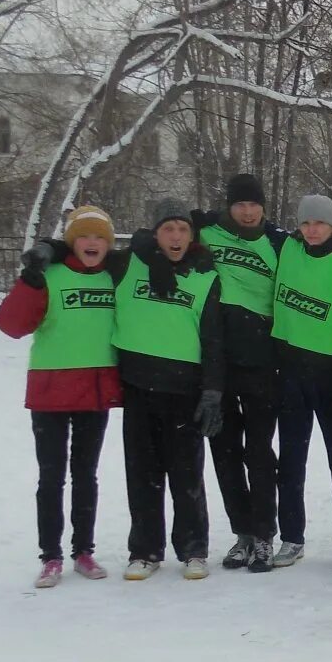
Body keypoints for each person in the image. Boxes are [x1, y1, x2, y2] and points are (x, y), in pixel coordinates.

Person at [0, 206, 122, 587]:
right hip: (51, 389)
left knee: (86, 475)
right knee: (51, 477)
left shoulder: (115, 277)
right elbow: (11, 325)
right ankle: (50, 555)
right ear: (71, 242)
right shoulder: (48, 276)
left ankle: (83, 550)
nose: (92, 243)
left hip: (94, 390)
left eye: (100, 237)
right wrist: (30, 280)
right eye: (84, 236)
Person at [109, 203, 226, 579]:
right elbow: (81, 249)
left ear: (191, 237)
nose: (175, 237)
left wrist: (212, 391)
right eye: (168, 229)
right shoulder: (129, 265)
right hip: (139, 388)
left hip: (183, 392)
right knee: (142, 474)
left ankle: (193, 549)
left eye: (182, 229)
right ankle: (144, 550)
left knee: (186, 475)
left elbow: (212, 340)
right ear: (155, 233)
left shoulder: (205, 276)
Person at [194, 173, 289, 572]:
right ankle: (242, 534)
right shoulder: (207, 233)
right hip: (218, 363)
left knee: (259, 453)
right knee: (225, 453)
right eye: (240, 205)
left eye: (254, 205)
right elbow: (158, 236)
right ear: (229, 206)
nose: (248, 212)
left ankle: (265, 535)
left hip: (263, 363)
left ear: (264, 207)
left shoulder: (279, 243)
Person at [269, 194, 332, 570]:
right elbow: (246, 227)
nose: (312, 230)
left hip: (330, 374)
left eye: (319, 223)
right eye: (306, 223)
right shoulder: (287, 248)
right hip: (290, 370)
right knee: (290, 459)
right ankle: (291, 537)